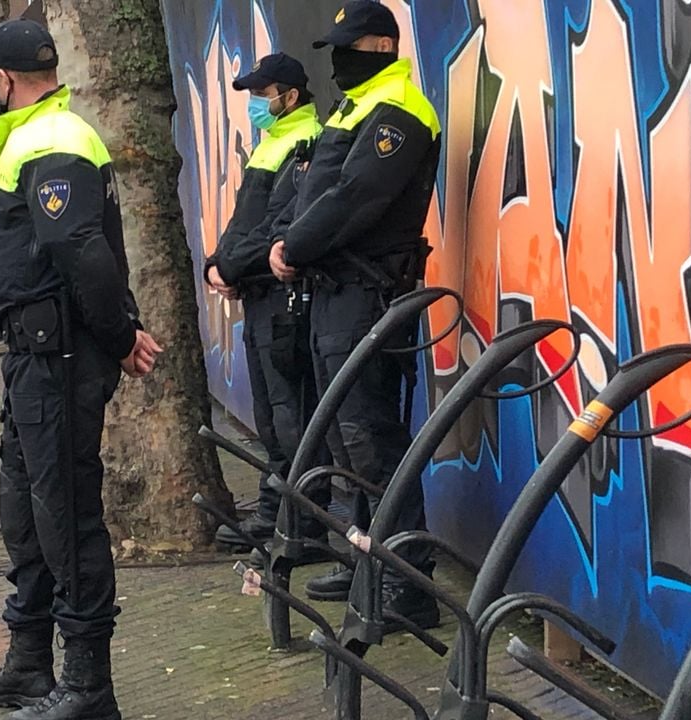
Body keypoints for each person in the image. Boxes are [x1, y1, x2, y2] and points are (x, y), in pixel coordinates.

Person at [0, 18, 162, 720]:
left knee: (67, 520)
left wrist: (121, 333)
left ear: (2, 79)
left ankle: (86, 686)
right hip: (36, 358)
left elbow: (83, 251)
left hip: (62, 357)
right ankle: (29, 661)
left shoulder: (53, 140)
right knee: (26, 512)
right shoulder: (35, 135)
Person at [269, 0, 442, 627]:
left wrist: (295, 245)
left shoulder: (400, 109)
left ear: (378, 47)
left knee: (375, 441)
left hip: (371, 295)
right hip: (336, 293)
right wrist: (291, 245)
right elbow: (318, 192)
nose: (338, 60)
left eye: (348, 47)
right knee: (344, 436)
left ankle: (408, 586)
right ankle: (364, 557)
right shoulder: (355, 107)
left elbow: (356, 197)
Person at [203, 53, 331, 561]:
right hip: (259, 297)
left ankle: (304, 523)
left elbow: (280, 225)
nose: (257, 103)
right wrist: (217, 263)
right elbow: (245, 224)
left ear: (290, 97)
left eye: (264, 93)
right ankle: (275, 510)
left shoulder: (306, 144)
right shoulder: (272, 144)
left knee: (292, 412)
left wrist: (228, 267)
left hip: (283, 301)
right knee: (270, 414)